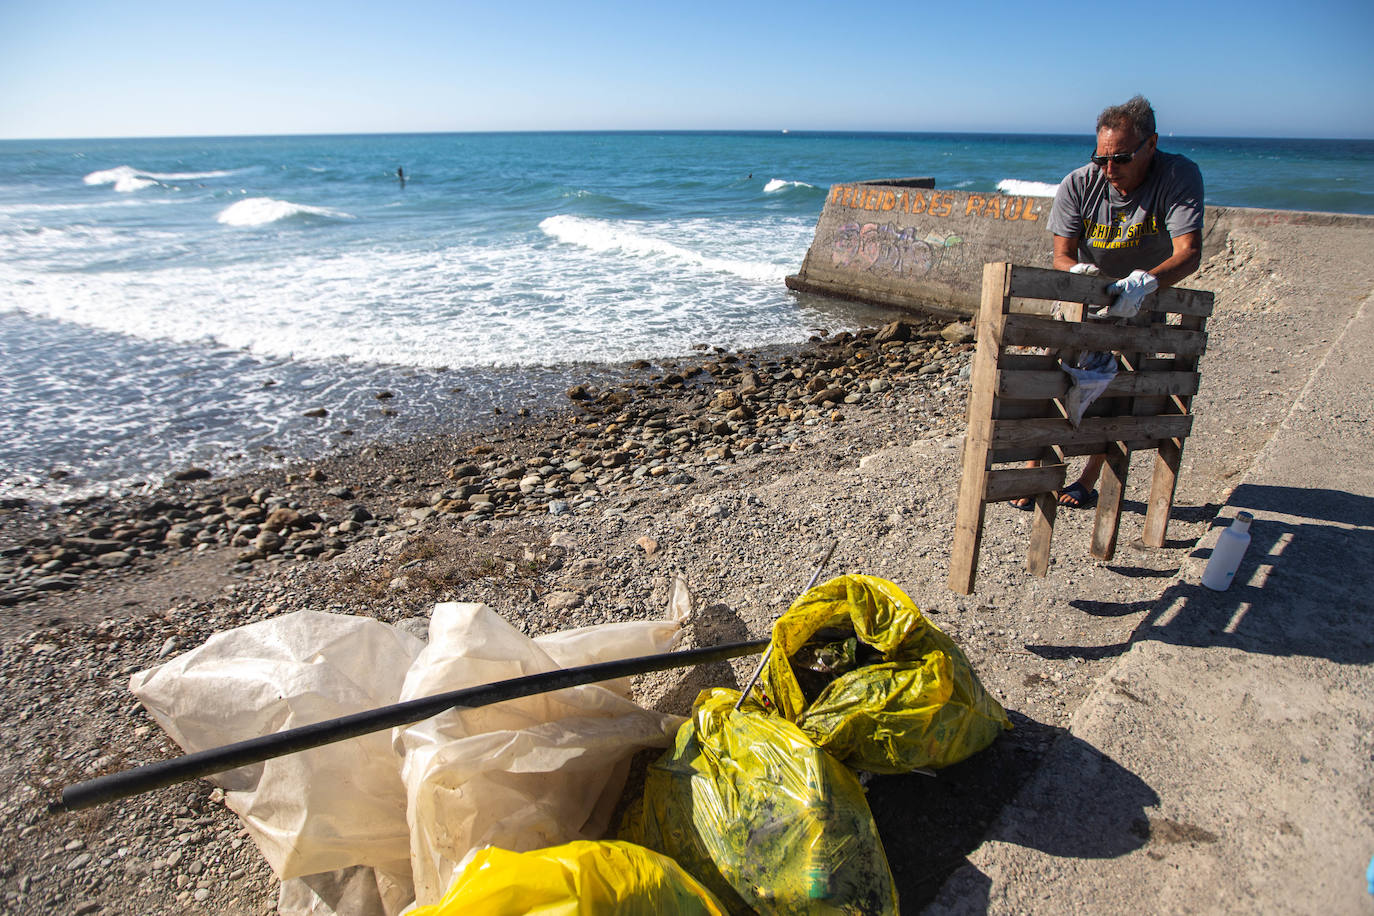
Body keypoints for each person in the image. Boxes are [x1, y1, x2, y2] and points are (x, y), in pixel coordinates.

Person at [1016, 95, 1204, 509]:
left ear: (1150, 145)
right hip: (1085, 297)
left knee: (1115, 389)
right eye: (1101, 159)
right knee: (1056, 372)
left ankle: (1086, 478)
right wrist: (1079, 277)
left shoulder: (1177, 176)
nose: (1109, 169)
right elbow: (1062, 256)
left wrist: (1145, 284)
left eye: (1120, 158)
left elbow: (1188, 251)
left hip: (1142, 298)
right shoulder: (1080, 183)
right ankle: (1036, 467)